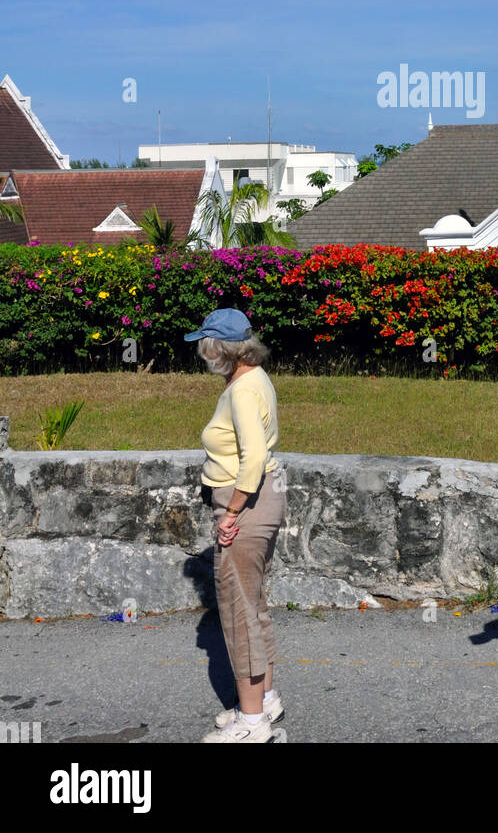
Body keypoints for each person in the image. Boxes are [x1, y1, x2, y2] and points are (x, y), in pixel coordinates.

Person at [186, 307, 286, 744]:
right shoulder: (254, 377)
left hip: (244, 502)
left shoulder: (243, 390)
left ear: (222, 350)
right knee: (254, 603)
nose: (203, 356)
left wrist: (230, 514)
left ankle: (252, 722)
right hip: (261, 500)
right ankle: (263, 699)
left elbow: (253, 459)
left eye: (206, 347)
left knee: (237, 611)